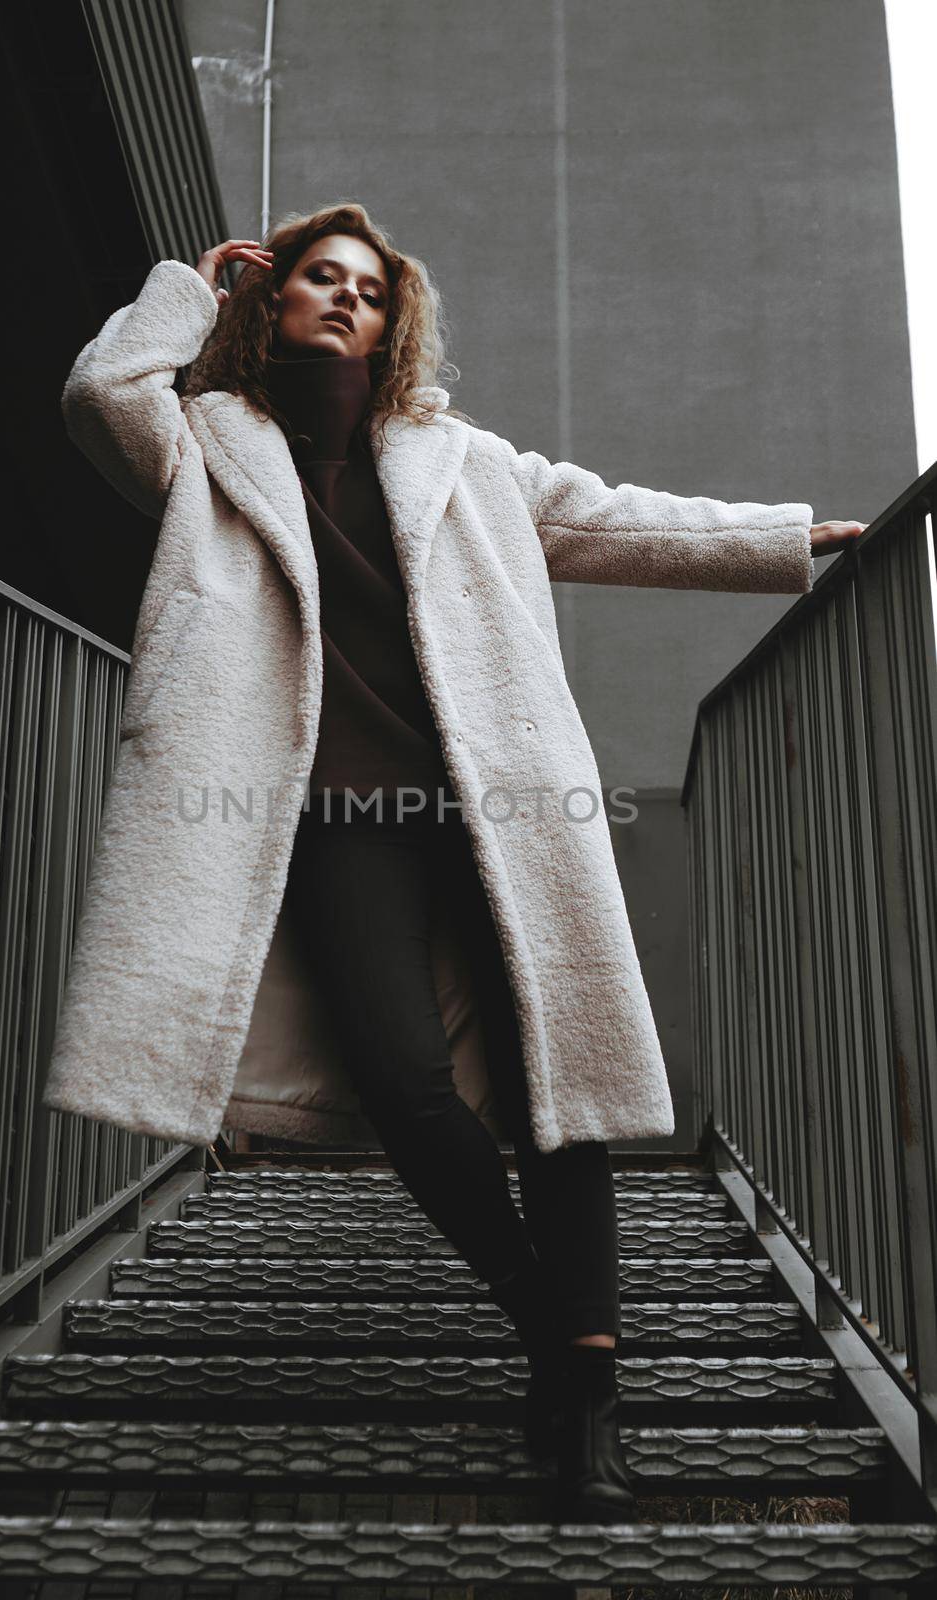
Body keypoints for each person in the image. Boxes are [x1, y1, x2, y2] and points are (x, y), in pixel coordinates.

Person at [50, 202, 865, 1523]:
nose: (343, 302)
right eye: (319, 278)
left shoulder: (460, 459)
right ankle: (551, 1323)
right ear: (278, 297)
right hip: (330, 813)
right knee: (401, 1072)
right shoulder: (209, 443)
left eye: (368, 289)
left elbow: (617, 524)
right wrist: (185, 294)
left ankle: (587, 1400)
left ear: (395, 317)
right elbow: (102, 392)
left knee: (561, 1081)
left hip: (495, 803)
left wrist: (794, 540)